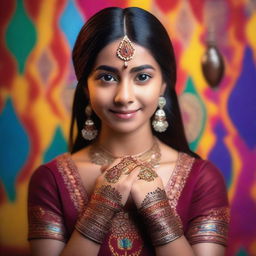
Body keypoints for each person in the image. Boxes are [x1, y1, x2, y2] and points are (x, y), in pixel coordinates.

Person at [27, 7, 229, 256]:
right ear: (86, 87)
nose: (124, 97)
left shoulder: (203, 180)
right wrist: (99, 208)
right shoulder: (51, 180)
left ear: (164, 84)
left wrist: (158, 210)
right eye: (107, 78)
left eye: (142, 76)